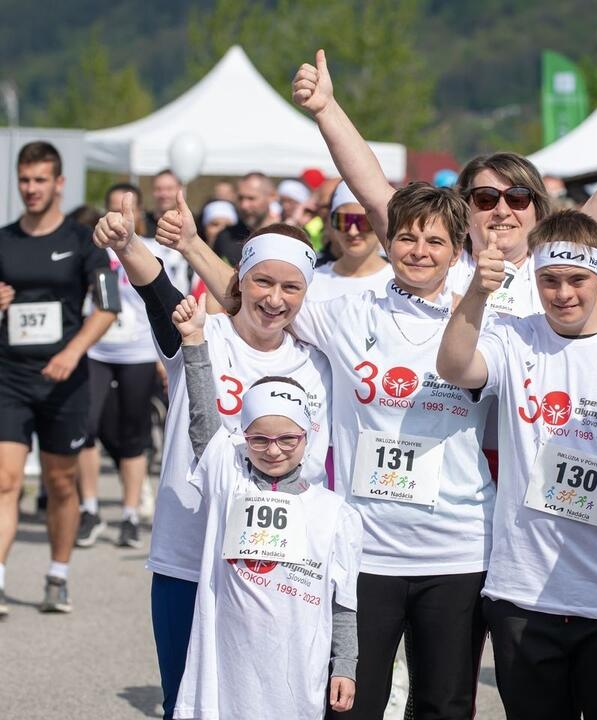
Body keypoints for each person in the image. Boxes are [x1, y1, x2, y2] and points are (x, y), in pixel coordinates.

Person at [163, 182, 494, 720]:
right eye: (407, 238)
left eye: (435, 241)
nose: (419, 251)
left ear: (457, 250)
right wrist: (193, 245)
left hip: (457, 545)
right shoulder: (345, 312)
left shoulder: (483, 323)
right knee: (349, 705)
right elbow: (265, 292)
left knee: (445, 704)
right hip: (369, 544)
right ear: (390, 245)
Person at [92, 191, 333, 720]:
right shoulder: (198, 331)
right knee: (184, 700)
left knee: (263, 700)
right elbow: (154, 284)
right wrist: (129, 241)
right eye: (263, 282)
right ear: (239, 280)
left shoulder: (318, 364)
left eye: (291, 286)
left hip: (269, 564)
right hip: (187, 553)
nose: (275, 298)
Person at [438, 209, 597, 720]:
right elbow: (454, 367)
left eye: (576, 280)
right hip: (523, 594)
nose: (563, 293)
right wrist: (478, 292)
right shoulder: (515, 335)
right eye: (549, 280)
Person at [291, 46, 597, 320]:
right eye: (485, 198)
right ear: (463, 207)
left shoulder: (558, 264)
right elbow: (376, 197)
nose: (502, 210)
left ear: (537, 206)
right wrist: (326, 109)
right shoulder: (439, 261)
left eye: (517, 198)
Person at [170, 295, 362, 720]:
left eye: (286, 440)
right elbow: (204, 418)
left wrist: (345, 664)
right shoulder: (229, 478)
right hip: (227, 673)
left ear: (307, 438)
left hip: (295, 679)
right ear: (243, 437)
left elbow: (343, 600)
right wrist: (195, 341)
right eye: (259, 439)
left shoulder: (334, 514)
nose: (273, 450)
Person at [0, 141, 119, 617]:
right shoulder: (4, 239)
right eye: (24, 180)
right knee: (6, 479)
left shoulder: (81, 240)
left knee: (61, 483)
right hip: (9, 375)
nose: (31, 189)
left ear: (59, 183)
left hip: (65, 379)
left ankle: (58, 574)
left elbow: (108, 305)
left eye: (40, 180)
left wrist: (73, 352)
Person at [76, 183, 188, 549]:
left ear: (138, 212)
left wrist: (164, 359)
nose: (117, 215)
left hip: (139, 351)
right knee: (86, 427)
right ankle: (89, 509)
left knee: (133, 435)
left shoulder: (153, 251)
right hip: (98, 349)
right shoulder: (93, 250)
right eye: (109, 208)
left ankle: (128, 514)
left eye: (124, 208)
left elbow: (168, 301)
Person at [305, 181, 393, 303]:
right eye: (343, 221)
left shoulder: (400, 283)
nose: (353, 231)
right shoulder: (310, 281)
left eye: (363, 222)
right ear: (330, 223)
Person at [213, 172, 276, 267]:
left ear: (272, 196)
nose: (244, 205)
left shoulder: (286, 236)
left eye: (251, 198)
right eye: (240, 198)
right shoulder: (226, 237)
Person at [148, 170, 181, 235]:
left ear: (180, 190)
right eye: (158, 189)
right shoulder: (141, 225)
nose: (164, 194)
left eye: (169, 189)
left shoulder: (193, 225)